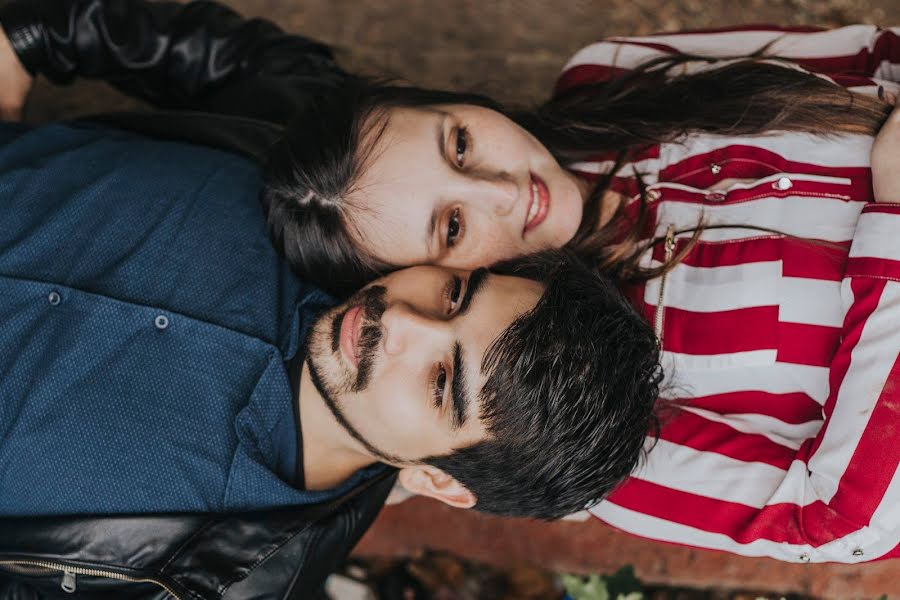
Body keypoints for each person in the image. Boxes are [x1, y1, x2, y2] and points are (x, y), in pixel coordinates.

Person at [4, 0, 900, 565]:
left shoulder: (233, 541)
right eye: (452, 234)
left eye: (464, 147)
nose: (506, 190)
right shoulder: (366, 216)